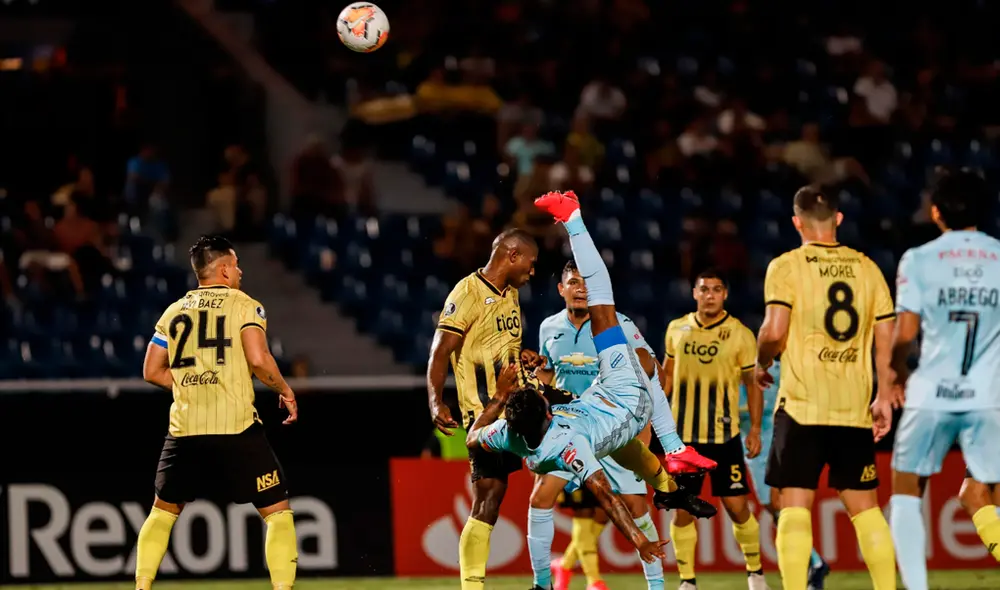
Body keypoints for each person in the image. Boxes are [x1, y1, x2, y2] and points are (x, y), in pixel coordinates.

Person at [467, 191, 718, 573]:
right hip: (619, 406)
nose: (580, 287)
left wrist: (503, 395)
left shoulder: (510, 436)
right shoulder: (569, 444)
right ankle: (673, 456)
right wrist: (639, 541)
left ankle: (546, 581)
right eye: (573, 282)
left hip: (594, 411)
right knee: (606, 304)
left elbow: (474, 436)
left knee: (631, 485)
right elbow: (605, 496)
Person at [532, 261, 713, 590]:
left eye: (586, 283)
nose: (580, 289)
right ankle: (549, 581)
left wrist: (644, 427)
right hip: (571, 432)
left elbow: (652, 368)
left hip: (614, 429)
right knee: (543, 499)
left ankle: (654, 586)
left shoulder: (619, 325)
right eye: (573, 283)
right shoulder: (548, 328)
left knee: (636, 506)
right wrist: (538, 380)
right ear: (561, 289)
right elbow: (546, 376)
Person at [134, 235, 298, 590]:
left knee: (162, 513)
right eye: (236, 264)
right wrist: (283, 388)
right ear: (223, 270)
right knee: (277, 512)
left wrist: (188, 387)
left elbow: (150, 370)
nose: (240, 271)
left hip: (184, 429)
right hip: (236, 426)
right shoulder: (245, 305)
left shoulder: (174, 310)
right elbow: (258, 359)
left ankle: (142, 586)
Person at [756, 186, 897, 590]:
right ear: (838, 219)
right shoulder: (868, 268)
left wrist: (762, 362)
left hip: (801, 404)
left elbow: (774, 331)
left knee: (795, 505)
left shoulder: (786, 266)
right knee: (865, 510)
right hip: (852, 407)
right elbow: (885, 336)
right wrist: (883, 394)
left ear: (797, 223)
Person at [888, 169, 1000, 590]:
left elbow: (905, 336)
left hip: (932, 393)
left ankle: (916, 587)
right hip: (988, 395)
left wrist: (895, 376)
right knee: (980, 494)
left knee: (905, 489)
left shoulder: (918, 259)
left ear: (935, 212)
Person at [426, 228, 540, 590]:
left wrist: (521, 357)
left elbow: (502, 341)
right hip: (486, 416)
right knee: (488, 498)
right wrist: (435, 400)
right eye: (530, 263)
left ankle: (552, 575)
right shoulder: (467, 292)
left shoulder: (512, 293)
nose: (532, 271)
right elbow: (440, 351)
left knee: (557, 474)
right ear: (511, 255)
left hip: (521, 408)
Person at [661, 269, 769, 590]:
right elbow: (665, 377)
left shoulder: (740, 333)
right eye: (704, 289)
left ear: (725, 295)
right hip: (683, 440)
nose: (710, 295)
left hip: (724, 436)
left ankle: (755, 573)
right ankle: (687, 581)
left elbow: (753, 384)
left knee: (738, 508)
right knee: (682, 510)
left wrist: (755, 432)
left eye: (716, 289)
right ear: (694, 293)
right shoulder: (676, 330)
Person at [738, 357, 830, 590]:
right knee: (773, 504)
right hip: (751, 442)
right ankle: (813, 561)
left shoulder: (772, 370)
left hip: (770, 439)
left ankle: (812, 562)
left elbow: (753, 408)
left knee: (777, 503)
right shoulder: (742, 371)